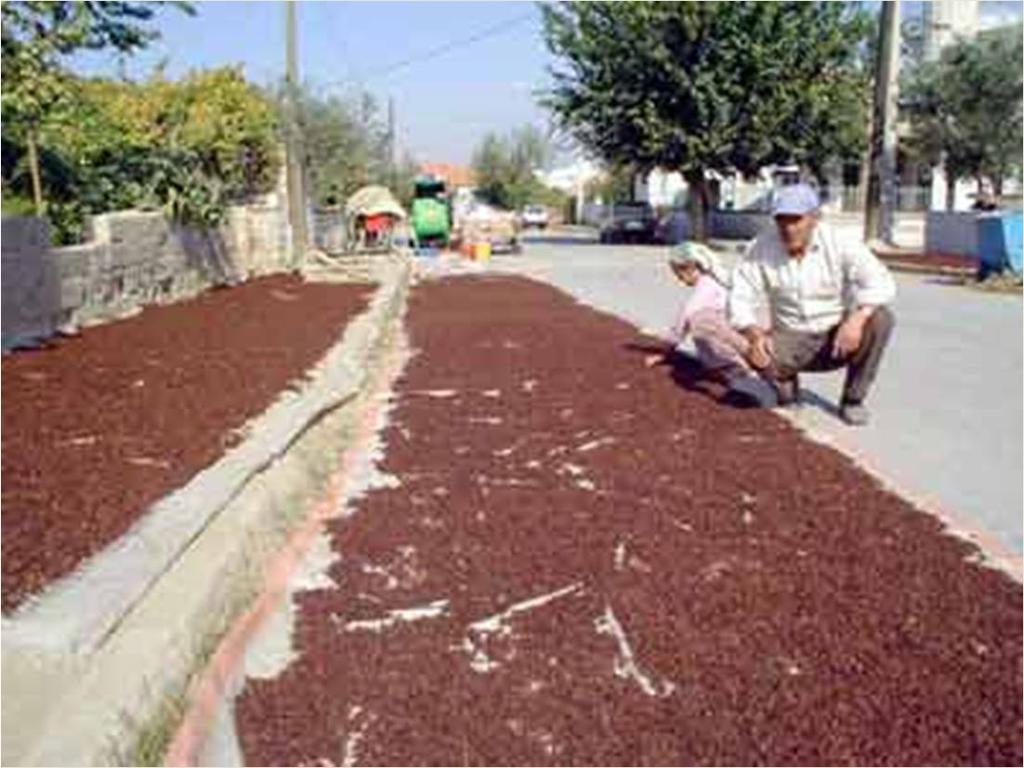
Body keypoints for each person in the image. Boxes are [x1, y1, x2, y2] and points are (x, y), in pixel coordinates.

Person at [729, 183, 896, 426]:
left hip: (835, 337)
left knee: (881, 319)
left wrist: (857, 319)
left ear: (815, 218)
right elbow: (739, 297)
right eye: (781, 220)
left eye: (796, 220)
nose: (788, 228)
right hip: (791, 337)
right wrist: (754, 335)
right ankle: (785, 384)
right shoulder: (761, 247)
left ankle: (852, 400)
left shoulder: (839, 242)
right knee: (750, 349)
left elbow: (880, 281)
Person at [646, 242, 752, 388]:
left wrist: (665, 353)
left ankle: (731, 367)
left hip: (736, 338)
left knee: (699, 323)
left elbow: (682, 321)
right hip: (740, 333)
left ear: (690, 268)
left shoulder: (706, 287)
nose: (679, 279)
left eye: (679, 274)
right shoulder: (716, 281)